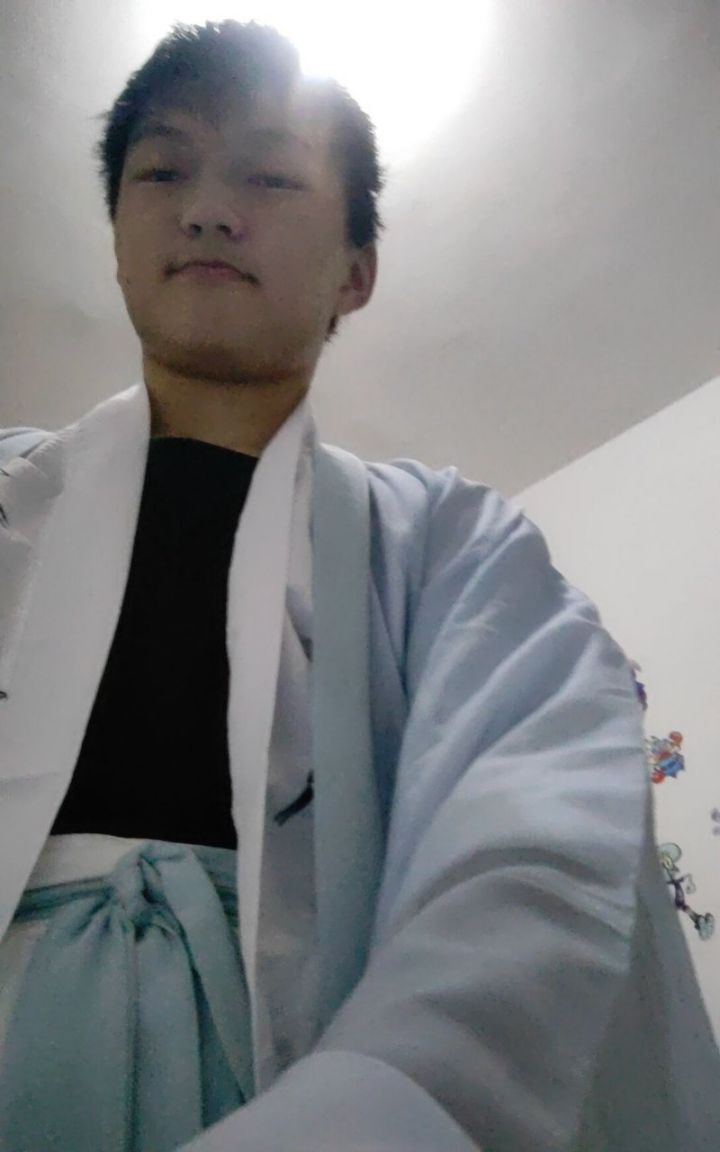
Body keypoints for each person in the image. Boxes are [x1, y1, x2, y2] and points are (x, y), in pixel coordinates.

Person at [0, 19, 717, 1152]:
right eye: (164, 170)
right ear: (118, 240)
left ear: (357, 271)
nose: (207, 210)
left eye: (270, 177)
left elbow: (537, 829)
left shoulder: (451, 546)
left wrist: (397, 1101)